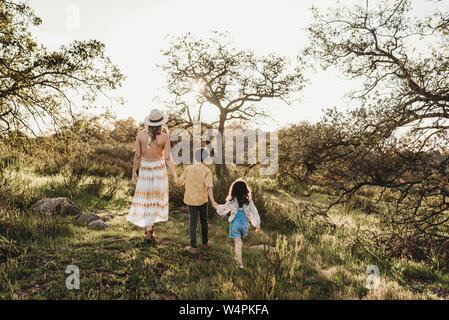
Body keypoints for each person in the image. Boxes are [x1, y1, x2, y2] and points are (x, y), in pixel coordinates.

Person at [126, 109, 177, 242]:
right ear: (161, 123)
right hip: (159, 170)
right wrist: (174, 174)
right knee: (155, 199)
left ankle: (149, 231)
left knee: (147, 199)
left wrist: (134, 173)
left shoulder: (140, 135)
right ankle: (150, 231)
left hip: (145, 169)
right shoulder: (164, 136)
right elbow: (167, 157)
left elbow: (137, 155)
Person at [176, 148, 217, 255]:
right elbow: (209, 187)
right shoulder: (207, 171)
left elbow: (179, 182)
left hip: (191, 201)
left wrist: (175, 179)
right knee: (204, 222)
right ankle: (205, 243)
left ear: (194, 157)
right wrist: (213, 201)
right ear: (206, 159)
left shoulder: (188, 169)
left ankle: (193, 246)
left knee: (192, 222)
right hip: (203, 200)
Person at [215, 179, 261, 268]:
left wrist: (217, 207)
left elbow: (222, 211)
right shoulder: (249, 201)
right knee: (240, 242)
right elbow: (254, 212)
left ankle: (240, 264)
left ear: (233, 190)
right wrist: (257, 224)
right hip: (244, 225)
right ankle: (237, 259)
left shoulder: (231, 201)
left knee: (238, 243)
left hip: (235, 225)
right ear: (246, 190)